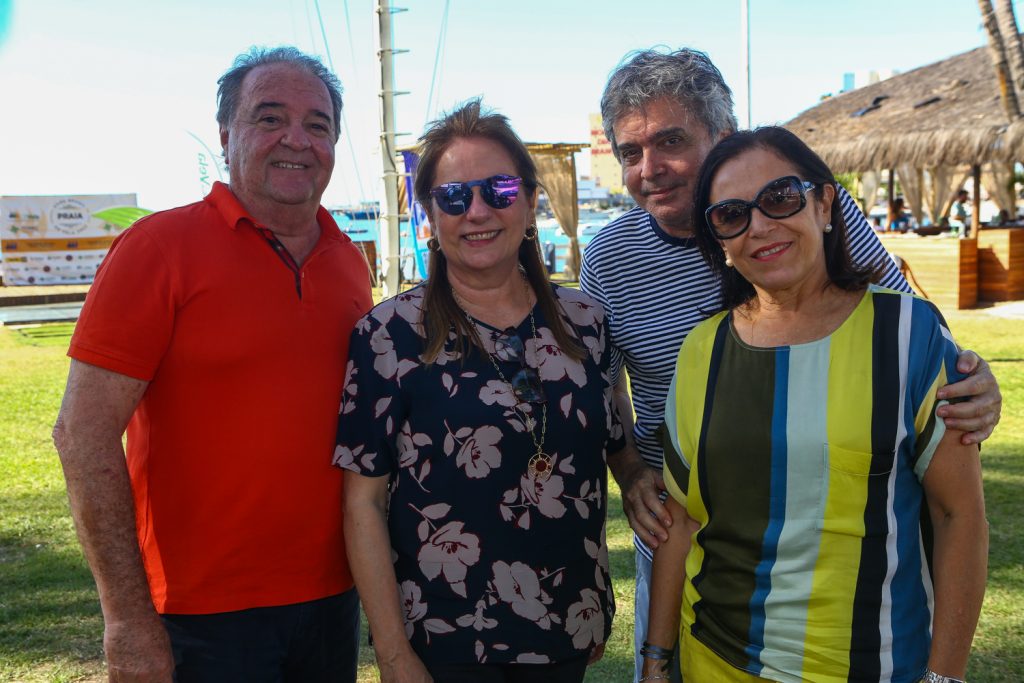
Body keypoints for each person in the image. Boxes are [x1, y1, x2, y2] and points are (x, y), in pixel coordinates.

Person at [578, 47, 1002, 683]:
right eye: (629, 153)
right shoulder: (610, 255)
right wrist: (632, 471)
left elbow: (908, 332)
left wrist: (976, 381)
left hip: (841, 535)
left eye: (670, 141)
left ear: (723, 136)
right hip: (680, 528)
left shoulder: (803, 208)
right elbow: (602, 387)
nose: (650, 169)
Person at [52, 46, 372, 681]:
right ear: (227, 135)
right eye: (270, 117)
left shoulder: (348, 260)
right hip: (197, 616)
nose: (296, 140)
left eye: (318, 125)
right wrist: (126, 619)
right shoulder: (156, 249)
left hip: (335, 597)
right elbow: (82, 435)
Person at [336, 99, 623, 683]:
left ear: (531, 201)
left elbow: (611, 439)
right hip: (447, 643)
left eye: (499, 189)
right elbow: (361, 504)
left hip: (569, 625)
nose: (478, 212)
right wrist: (393, 654)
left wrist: (640, 478)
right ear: (430, 217)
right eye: (454, 197)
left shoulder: (585, 322)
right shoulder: (388, 335)